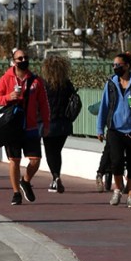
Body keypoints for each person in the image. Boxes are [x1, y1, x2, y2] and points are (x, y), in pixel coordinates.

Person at [0, 49, 50, 206]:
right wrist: (8, 97)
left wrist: (46, 123)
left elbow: (44, 103)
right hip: (13, 127)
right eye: (20, 58)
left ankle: (26, 180)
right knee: (14, 160)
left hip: (31, 126)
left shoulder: (36, 81)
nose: (23, 60)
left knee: (35, 160)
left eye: (25, 57)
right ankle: (16, 192)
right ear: (14, 61)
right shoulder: (6, 78)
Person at [97, 53, 131, 208]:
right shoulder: (111, 83)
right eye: (114, 65)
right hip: (115, 130)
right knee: (116, 162)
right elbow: (104, 106)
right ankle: (117, 190)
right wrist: (100, 128)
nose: (116, 68)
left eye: (118, 65)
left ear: (127, 66)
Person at [40, 56, 76, 193]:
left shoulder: (44, 84)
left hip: (48, 123)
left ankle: (55, 177)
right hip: (64, 123)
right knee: (57, 151)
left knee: (50, 152)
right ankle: (56, 177)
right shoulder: (66, 84)